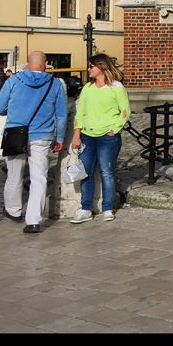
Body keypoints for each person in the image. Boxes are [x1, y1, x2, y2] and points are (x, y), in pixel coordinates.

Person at [0, 50, 67, 234]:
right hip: (42, 135)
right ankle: (34, 220)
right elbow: (61, 115)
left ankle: (14, 210)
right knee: (39, 178)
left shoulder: (13, 81)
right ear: (47, 63)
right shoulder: (55, 84)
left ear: (28, 63)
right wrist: (59, 138)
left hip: (15, 133)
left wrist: (13, 113)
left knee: (14, 174)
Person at [68, 54, 130, 224]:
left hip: (107, 137)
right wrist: (76, 135)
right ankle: (85, 208)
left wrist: (115, 129)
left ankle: (107, 207)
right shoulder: (87, 88)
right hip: (88, 135)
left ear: (101, 67)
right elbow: (80, 113)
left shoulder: (117, 88)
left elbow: (125, 111)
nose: (88, 69)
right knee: (85, 172)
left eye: (91, 66)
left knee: (107, 172)